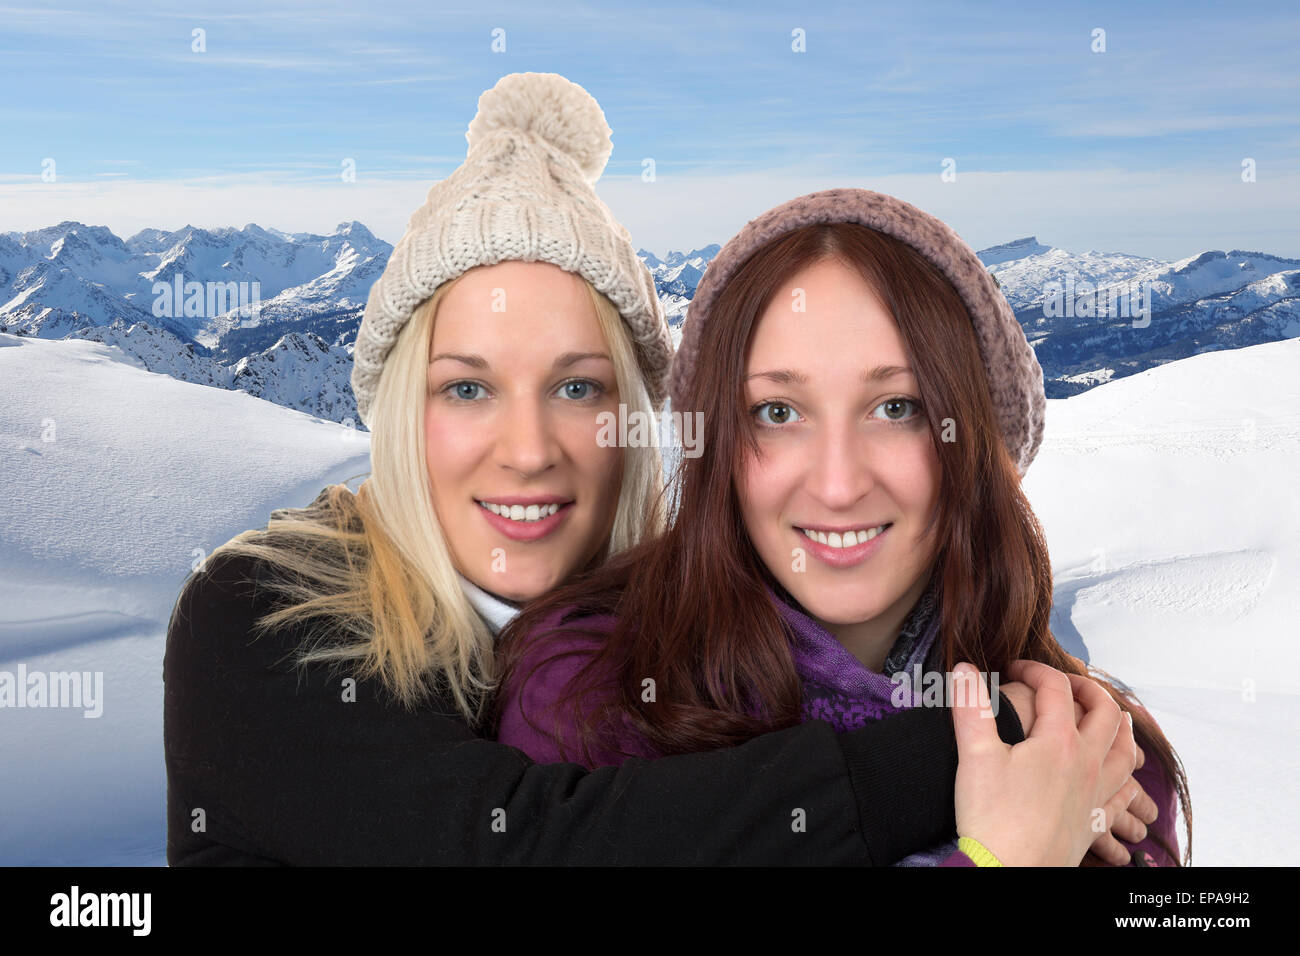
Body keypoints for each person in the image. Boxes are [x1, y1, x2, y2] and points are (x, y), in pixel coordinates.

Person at [495, 190, 1189, 866]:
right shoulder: (585, 702)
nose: (837, 483)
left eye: (896, 408)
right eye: (777, 412)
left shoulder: (1098, 756)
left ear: (977, 446)